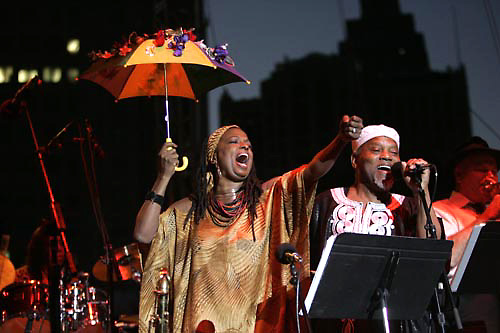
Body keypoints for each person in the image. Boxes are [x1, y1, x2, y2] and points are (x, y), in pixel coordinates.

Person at [134, 115, 363, 333]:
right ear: (214, 156)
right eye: (235, 142)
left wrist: (340, 141)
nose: (245, 147)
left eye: (249, 145)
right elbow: (144, 235)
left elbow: (312, 171)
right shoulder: (189, 210)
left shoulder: (268, 199)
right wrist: (163, 177)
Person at [309, 124, 442, 331]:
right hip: (331, 322)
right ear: (355, 160)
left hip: (393, 322)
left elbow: (431, 248)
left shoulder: (408, 206)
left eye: (394, 152)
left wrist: (421, 191)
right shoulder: (326, 202)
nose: (387, 157)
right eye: (377, 150)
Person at [433, 136, 500, 332]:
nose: (490, 177)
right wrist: (487, 217)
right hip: (469, 323)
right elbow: (447, 261)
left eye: (493, 171)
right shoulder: (441, 211)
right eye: (481, 169)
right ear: (460, 175)